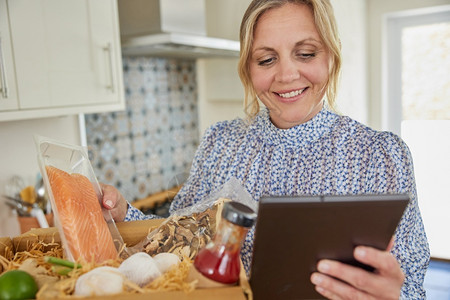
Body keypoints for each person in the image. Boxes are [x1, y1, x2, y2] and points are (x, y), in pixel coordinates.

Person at [101, 0, 429, 298]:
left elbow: (413, 284)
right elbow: (176, 244)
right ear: (248, 68)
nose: (286, 74)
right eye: (267, 59)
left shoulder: (381, 155)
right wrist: (121, 216)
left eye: (306, 53)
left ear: (331, 56)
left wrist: (394, 296)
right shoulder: (220, 143)